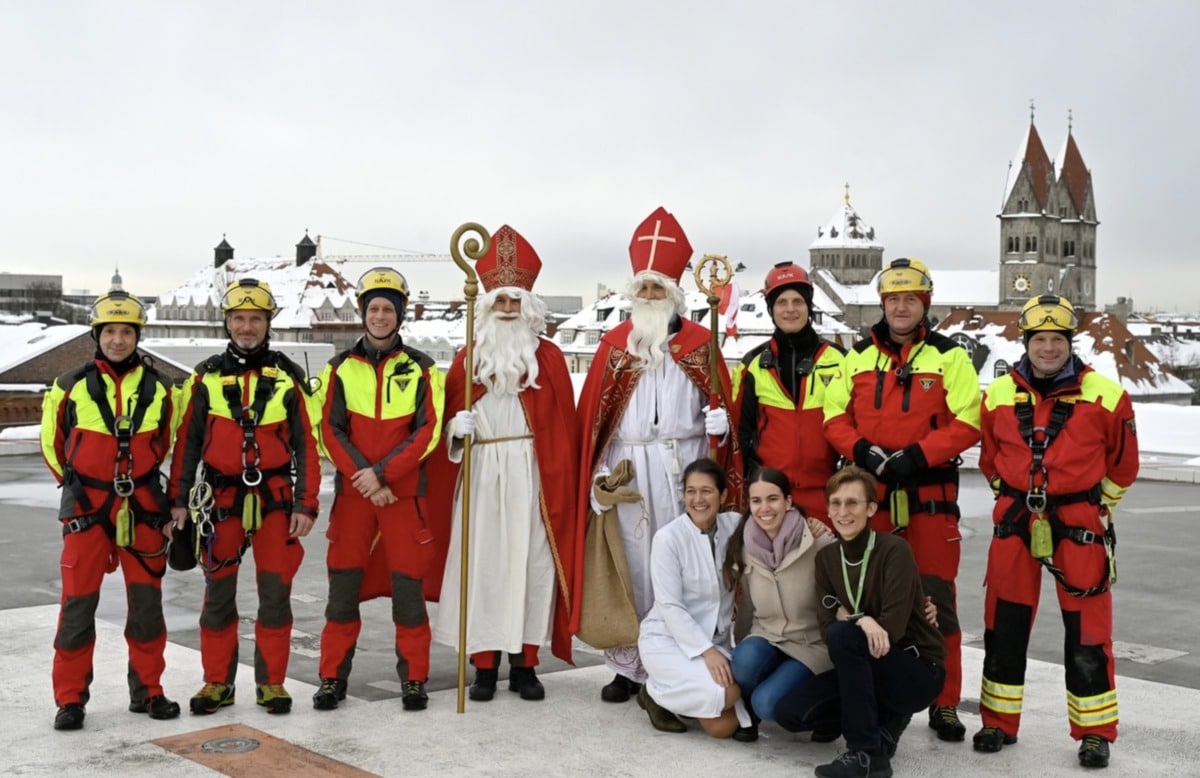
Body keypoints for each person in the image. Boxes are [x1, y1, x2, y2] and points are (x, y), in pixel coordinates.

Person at [576, 206, 741, 704]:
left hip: (684, 468)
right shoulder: (613, 347)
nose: (649, 295)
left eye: (658, 288)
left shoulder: (701, 345)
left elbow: (726, 417)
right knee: (633, 564)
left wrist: (721, 429)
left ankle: (676, 659)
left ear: (673, 294)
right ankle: (629, 667)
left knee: (682, 564)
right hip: (630, 471)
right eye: (643, 288)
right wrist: (600, 469)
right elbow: (596, 420)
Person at [972, 295, 1138, 769]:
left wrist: (1095, 508)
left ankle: (1094, 732)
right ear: (1026, 342)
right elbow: (990, 460)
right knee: (1003, 624)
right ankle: (998, 722)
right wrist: (1013, 499)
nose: (1048, 348)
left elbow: (1124, 466)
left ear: (1070, 342)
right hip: (1016, 520)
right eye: (1039, 339)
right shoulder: (998, 394)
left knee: (1088, 630)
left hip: (1080, 523)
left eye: (1057, 340)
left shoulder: (1107, 396)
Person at [823, 256, 980, 742]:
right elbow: (833, 417)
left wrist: (918, 456)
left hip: (929, 500)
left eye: (911, 299)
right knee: (873, 600)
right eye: (893, 299)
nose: (901, 308)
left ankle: (945, 702)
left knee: (938, 601)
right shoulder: (856, 358)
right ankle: (881, 696)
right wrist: (863, 451)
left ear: (925, 303)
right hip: (874, 500)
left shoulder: (950, 357)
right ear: (883, 304)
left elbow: (969, 420)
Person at [429, 225, 579, 702]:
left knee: (531, 568)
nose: (509, 309)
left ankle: (525, 665)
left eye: (516, 301)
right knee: (485, 569)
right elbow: (443, 425)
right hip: (480, 475)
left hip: (532, 475)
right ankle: (484, 666)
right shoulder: (467, 358)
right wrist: (456, 430)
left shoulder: (549, 359)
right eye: (501, 301)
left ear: (529, 306)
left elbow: (563, 428)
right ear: (487, 305)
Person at [169, 277, 321, 716]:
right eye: (239, 318)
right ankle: (217, 682)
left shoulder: (288, 380)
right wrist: (178, 500)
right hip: (220, 502)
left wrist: (306, 503)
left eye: (255, 319)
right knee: (218, 595)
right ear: (227, 323)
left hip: (276, 502)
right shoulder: (205, 378)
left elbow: (307, 446)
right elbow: (187, 444)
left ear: (268, 323)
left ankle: (272, 683)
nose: (247, 327)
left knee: (275, 595)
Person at [40, 289, 181, 730]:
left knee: (147, 606)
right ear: (96, 335)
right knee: (77, 607)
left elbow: (165, 442)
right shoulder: (69, 386)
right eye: (109, 332)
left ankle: (148, 691)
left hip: (143, 509)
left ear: (138, 336)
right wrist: (82, 488)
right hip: (87, 509)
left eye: (126, 332)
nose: (118, 340)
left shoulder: (161, 388)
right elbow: (52, 444)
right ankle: (70, 699)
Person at [312, 267, 445, 713]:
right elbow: (329, 431)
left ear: (400, 314)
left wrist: (384, 475)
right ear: (363, 314)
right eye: (374, 309)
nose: (381, 316)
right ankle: (332, 678)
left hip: (403, 499)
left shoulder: (422, 369)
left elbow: (427, 432)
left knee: (408, 593)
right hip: (355, 499)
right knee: (342, 591)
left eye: (389, 309)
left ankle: (414, 679)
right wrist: (367, 480)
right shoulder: (339, 369)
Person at [813, 466, 946, 778]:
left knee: (844, 636)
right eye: (836, 503)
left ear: (871, 508)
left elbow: (891, 630)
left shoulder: (894, 550)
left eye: (852, 503)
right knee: (792, 710)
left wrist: (855, 619)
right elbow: (825, 626)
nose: (842, 512)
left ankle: (866, 754)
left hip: (917, 668)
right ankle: (886, 723)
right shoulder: (826, 559)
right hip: (869, 662)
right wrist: (864, 621)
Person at [637, 458, 751, 738]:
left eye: (706, 491)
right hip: (668, 639)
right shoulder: (668, 538)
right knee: (728, 693)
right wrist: (707, 652)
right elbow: (670, 606)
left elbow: (773, 521)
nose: (698, 499)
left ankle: (677, 694)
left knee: (723, 728)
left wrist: (812, 525)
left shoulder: (735, 526)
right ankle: (653, 692)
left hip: (715, 639)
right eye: (691, 491)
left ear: (722, 496)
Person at [723, 466, 835, 742]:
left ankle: (831, 713)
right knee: (744, 660)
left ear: (788, 501)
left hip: (810, 645)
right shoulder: (744, 546)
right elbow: (747, 603)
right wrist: (741, 649)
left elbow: (846, 593)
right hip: (768, 636)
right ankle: (749, 709)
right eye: (756, 500)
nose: (765, 509)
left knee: (767, 704)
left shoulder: (818, 541)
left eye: (773, 499)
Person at [733, 263, 846, 525]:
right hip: (771, 496)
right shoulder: (752, 364)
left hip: (826, 492)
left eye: (798, 301)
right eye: (781, 302)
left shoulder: (839, 360)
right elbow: (741, 432)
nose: (790, 309)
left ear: (809, 307)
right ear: (771, 309)